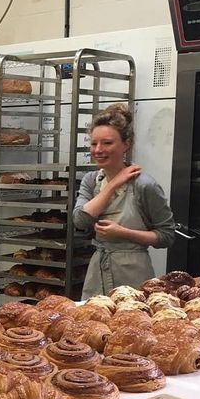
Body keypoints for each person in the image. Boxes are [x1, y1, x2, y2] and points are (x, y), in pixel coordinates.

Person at [72, 103, 175, 299]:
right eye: (94, 143)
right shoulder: (91, 181)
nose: (98, 150)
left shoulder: (144, 185)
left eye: (107, 143)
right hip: (98, 273)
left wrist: (123, 232)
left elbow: (166, 236)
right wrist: (113, 185)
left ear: (126, 144)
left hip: (134, 275)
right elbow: (80, 220)